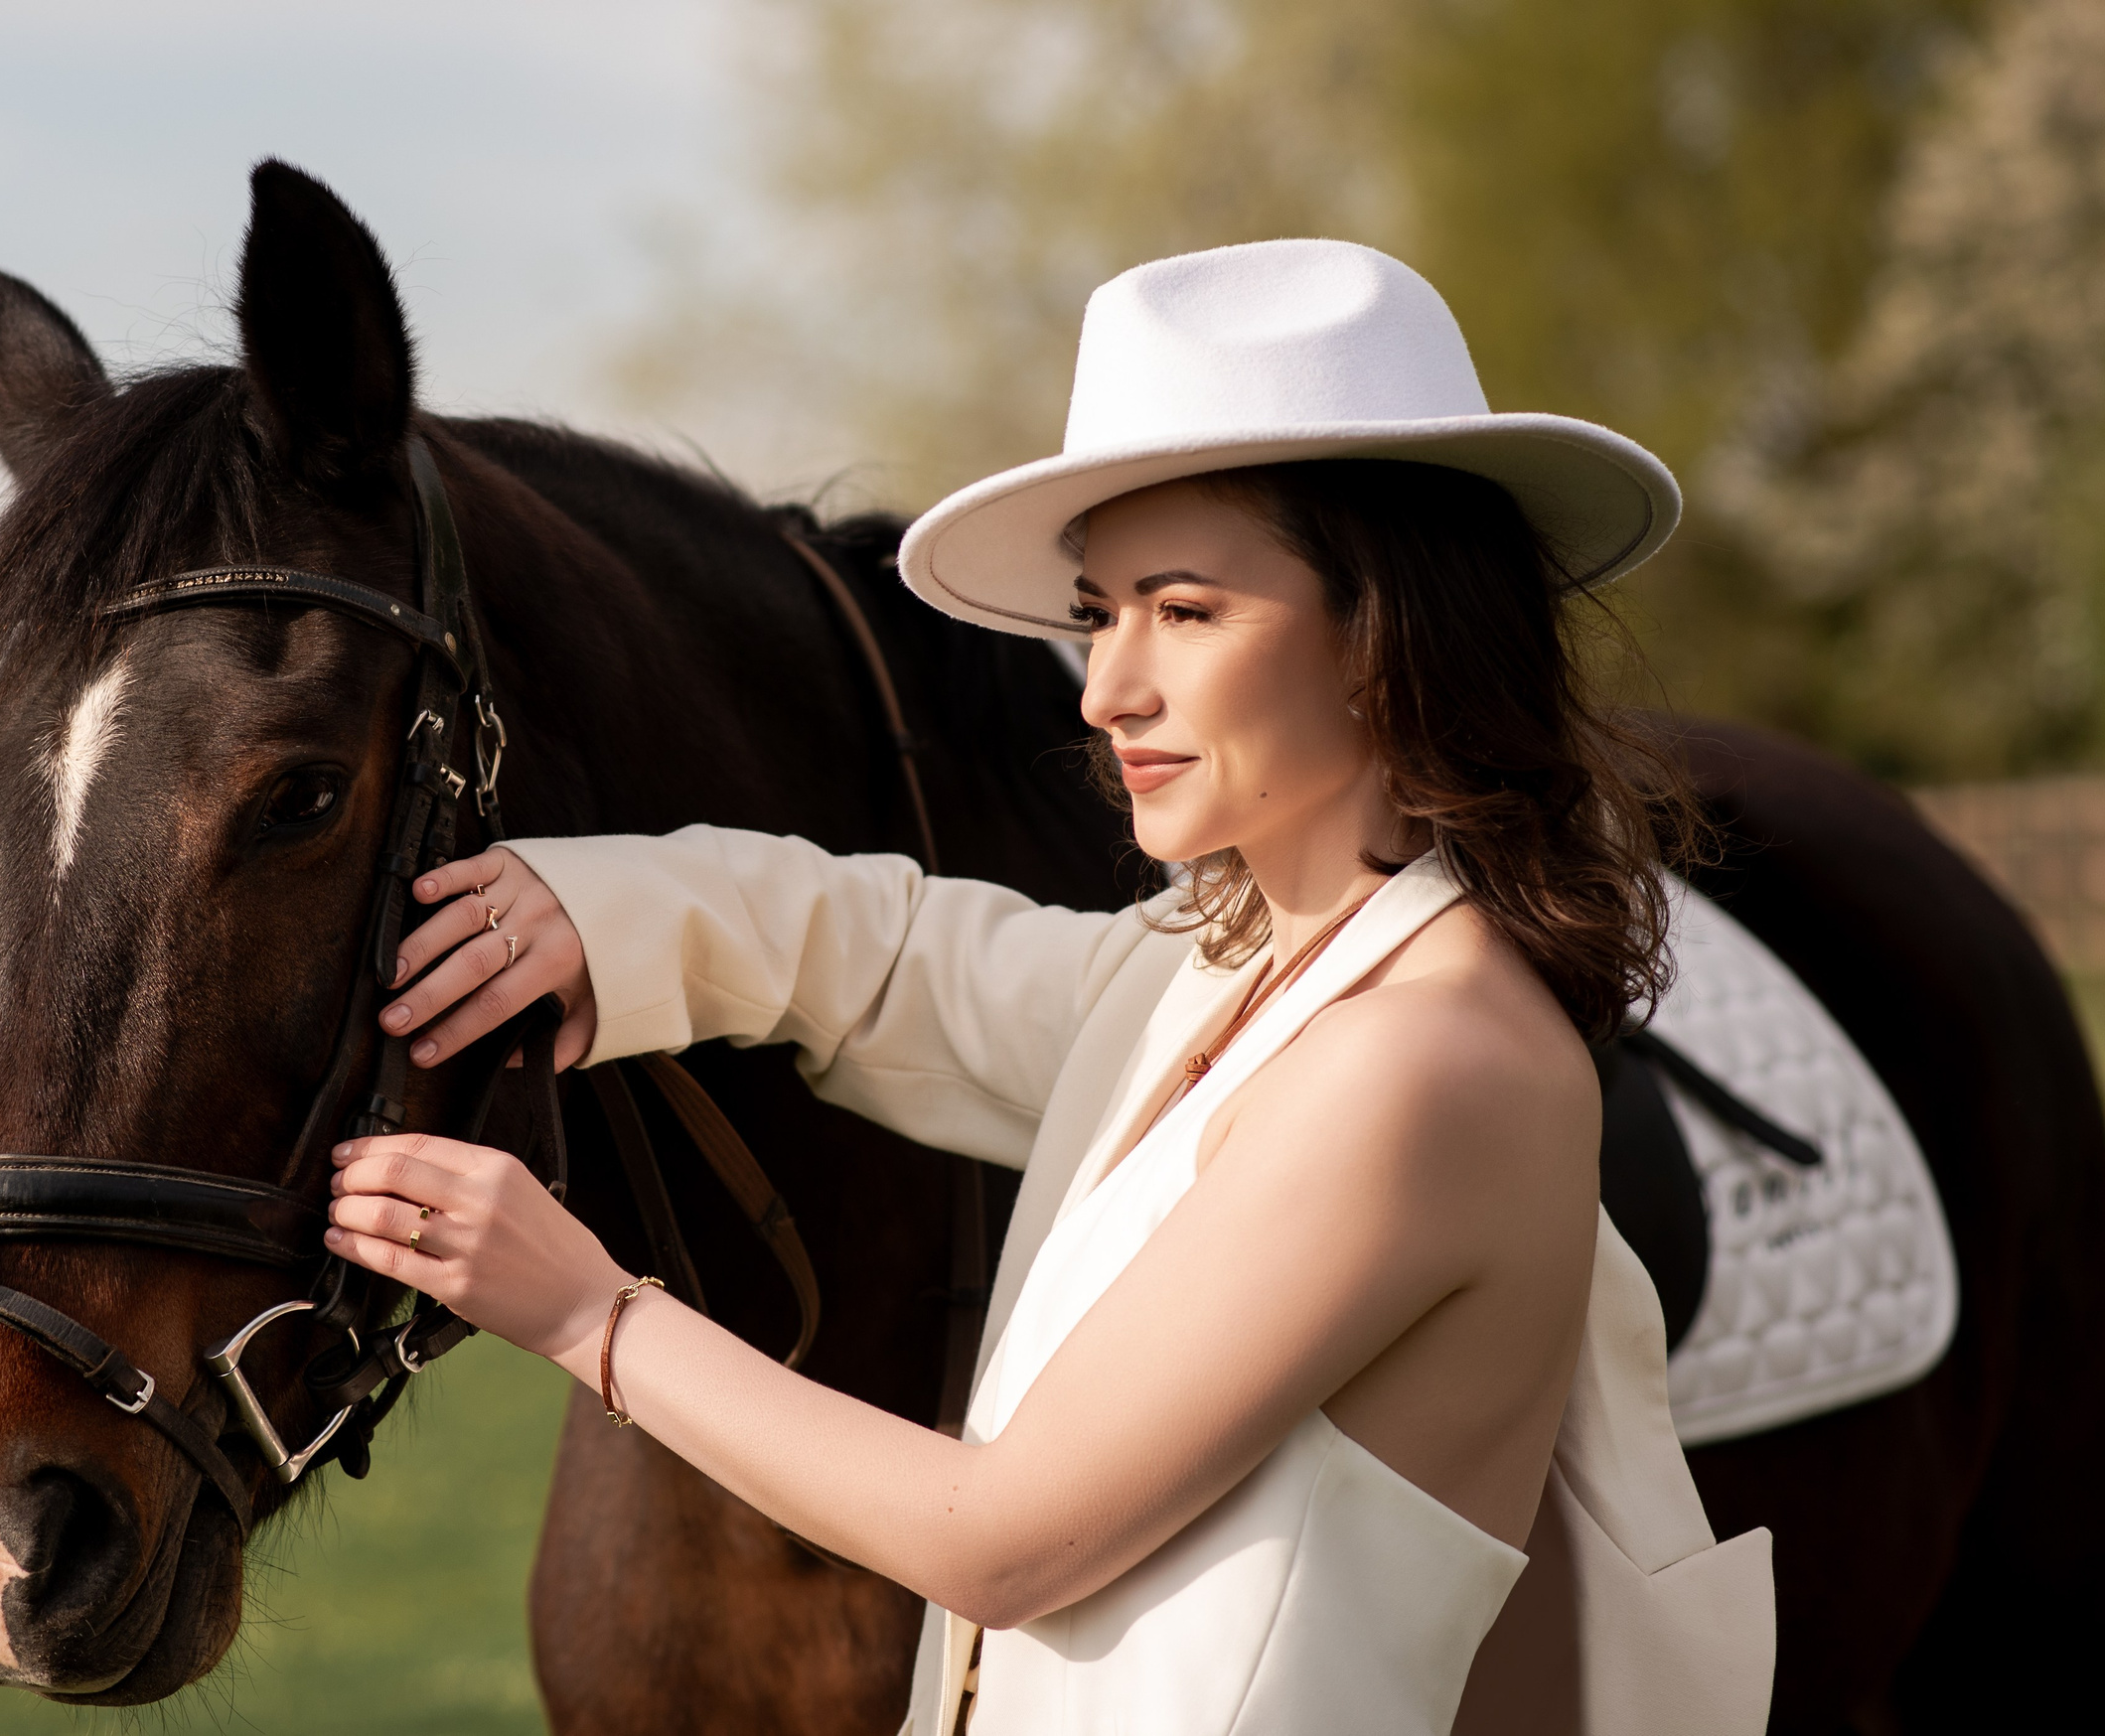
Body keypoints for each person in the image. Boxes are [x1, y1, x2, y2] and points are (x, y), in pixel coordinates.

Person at [321, 240, 1775, 1734]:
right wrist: (610, 902)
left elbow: (1004, 1541)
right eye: (1099, 612)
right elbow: (893, 961)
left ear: (1388, 628)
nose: (1105, 689)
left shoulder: (1426, 1066)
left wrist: (587, 1315)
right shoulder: (1227, 976)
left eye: (1186, 610)